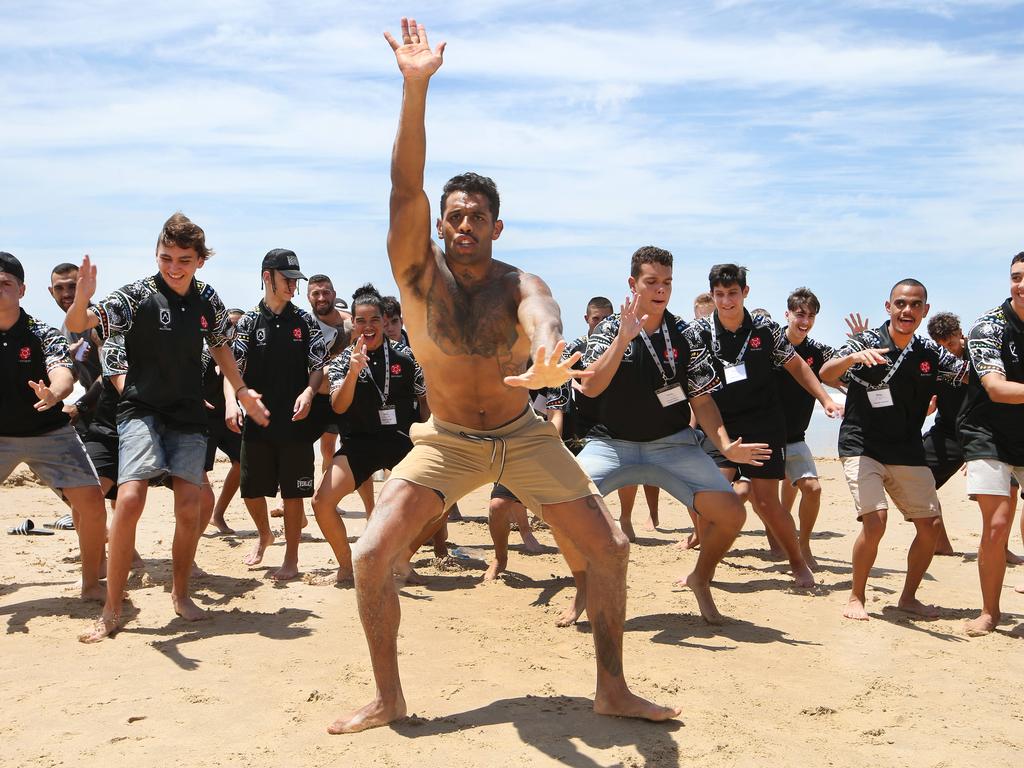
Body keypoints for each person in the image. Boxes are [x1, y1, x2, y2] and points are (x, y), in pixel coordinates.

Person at [326, 19, 679, 734]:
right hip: (447, 439)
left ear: (496, 226)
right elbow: (404, 183)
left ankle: (611, 687)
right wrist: (414, 88)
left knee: (609, 549)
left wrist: (547, 351)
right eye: (452, 215)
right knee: (371, 555)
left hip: (521, 433)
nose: (461, 224)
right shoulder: (416, 274)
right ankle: (389, 697)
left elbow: (542, 311)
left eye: (475, 217)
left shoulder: (521, 280)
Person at [68, 213, 270, 642]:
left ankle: (181, 594)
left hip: (188, 414)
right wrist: (81, 301)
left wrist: (241, 390)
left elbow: (220, 346)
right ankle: (112, 608)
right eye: (166, 257)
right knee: (130, 498)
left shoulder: (207, 298)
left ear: (200, 260)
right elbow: (79, 325)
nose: (173, 267)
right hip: (140, 409)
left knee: (189, 507)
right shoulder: (138, 294)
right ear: (156, 254)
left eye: (183, 259)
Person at [572, 246, 769, 626]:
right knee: (565, 509)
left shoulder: (685, 333)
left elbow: (703, 398)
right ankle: (584, 586)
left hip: (673, 444)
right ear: (633, 284)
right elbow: (592, 389)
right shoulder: (610, 328)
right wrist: (622, 340)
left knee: (731, 513)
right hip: (612, 444)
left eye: (667, 282)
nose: (660, 290)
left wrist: (726, 444)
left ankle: (701, 578)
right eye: (651, 282)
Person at [820, 279, 967, 621]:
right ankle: (856, 596)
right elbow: (826, 373)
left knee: (929, 525)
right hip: (862, 443)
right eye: (901, 303)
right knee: (876, 521)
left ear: (924, 310)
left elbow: (970, 374)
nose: (907, 310)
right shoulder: (866, 341)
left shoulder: (930, 353)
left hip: (906, 447)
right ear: (889, 307)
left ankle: (908, 598)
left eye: (915, 305)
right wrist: (853, 357)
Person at [691, 264, 842, 588]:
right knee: (712, 496)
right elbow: (693, 389)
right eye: (719, 294)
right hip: (721, 424)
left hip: (763, 423)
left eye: (733, 293)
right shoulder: (700, 332)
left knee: (766, 502)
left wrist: (825, 400)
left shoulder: (765, 329)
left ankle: (798, 563)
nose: (726, 301)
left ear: (745, 292)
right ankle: (704, 568)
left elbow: (798, 366)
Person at [0, 252, 106, 604]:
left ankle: (91, 584)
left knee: (91, 503)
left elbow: (62, 369)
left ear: (22, 290)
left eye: (5, 284)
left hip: (50, 432)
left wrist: (55, 391)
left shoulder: (41, 332)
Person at [310, 284, 428, 584]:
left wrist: (429, 441)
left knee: (435, 503)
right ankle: (347, 565)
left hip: (400, 441)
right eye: (360, 321)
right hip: (359, 442)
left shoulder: (406, 357)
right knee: (321, 503)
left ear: (384, 321)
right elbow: (338, 406)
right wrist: (352, 372)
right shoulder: (342, 361)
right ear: (354, 324)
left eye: (374, 319)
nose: (368, 326)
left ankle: (401, 558)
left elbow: (425, 403)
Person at [226, 249, 326, 580]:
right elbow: (232, 370)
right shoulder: (249, 323)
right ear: (267, 277)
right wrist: (232, 402)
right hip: (258, 420)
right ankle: (264, 534)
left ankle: (292, 559)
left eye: (296, 281)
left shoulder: (306, 321)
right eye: (287, 280)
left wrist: (309, 392)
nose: (293, 287)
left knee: (294, 492)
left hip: (296, 422)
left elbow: (317, 366)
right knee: (252, 490)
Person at [958, 253, 1024, 635]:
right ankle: (989, 612)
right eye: (1016, 277)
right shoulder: (989, 326)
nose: (1021, 285)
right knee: (998, 523)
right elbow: (996, 389)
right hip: (987, 433)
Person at [776, 288, 838, 570]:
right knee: (742, 496)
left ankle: (804, 545)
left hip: (794, 438)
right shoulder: (767, 344)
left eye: (811, 316)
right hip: (761, 437)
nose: (805, 321)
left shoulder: (817, 351)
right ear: (787, 314)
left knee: (812, 489)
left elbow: (842, 371)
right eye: (800, 314)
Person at [200, 309, 245, 534]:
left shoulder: (244, 354)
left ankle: (217, 514)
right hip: (203, 418)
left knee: (244, 460)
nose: (233, 332)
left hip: (231, 415)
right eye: (230, 325)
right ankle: (205, 511)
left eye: (238, 327)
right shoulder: (204, 352)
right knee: (200, 470)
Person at [48, 262, 103, 430]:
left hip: (117, 413)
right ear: (51, 292)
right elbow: (73, 373)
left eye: (73, 287)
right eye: (59, 288)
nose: (66, 294)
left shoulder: (101, 322)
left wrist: (79, 407)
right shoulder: (65, 328)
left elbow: (111, 372)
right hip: (93, 413)